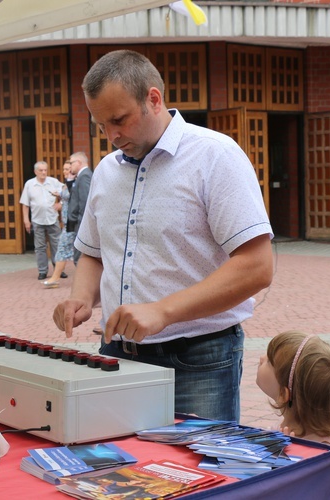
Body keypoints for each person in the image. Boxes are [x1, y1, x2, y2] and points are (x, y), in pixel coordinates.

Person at [52, 50, 274, 421]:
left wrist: (162, 311)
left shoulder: (215, 155)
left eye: (119, 120)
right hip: (116, 354)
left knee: (200, 473)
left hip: (198, 357)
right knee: (119, 469)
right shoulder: (106, 171)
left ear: (154, 99)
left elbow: (257, 267)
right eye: (101, 125)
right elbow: (93, 252)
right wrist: (80, 297)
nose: (111, 136)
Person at [256, 330, 330, 447]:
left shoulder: (319, 450)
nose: (261, 358)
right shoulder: (287, 428)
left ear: (283, 394)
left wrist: (280, 457)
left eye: (270, 361)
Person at [20, 160, 64, 280]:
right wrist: (26, 220)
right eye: (41, 170)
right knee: (40, 247)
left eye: (45, 170)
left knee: (57, 245)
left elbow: (66, 191)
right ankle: (42, 271)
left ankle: (59, 270)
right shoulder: (29, 184)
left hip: (52, 218)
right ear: (35, 171)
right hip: (37, 220)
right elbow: (25, 204)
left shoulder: (53, 182)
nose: (43, 172)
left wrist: (61, 203)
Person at [44, 161, 75, 288]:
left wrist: (61, 202)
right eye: (64, 169)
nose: (65, 171)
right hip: (68, 223)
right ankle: (55, 278)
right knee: (68, 251)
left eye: (68, 169)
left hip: (73, 223)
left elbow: (75, 199)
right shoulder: (66, 184)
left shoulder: (75, 183)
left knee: (62, 249)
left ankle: (55, 278)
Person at [66, 151, 92, 265]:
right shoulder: (80, 176)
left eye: (71, 163)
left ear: (78, 162)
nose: (70, 166)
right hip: (79, 222)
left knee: (79, 258)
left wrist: (82, 222)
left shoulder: (85, 176)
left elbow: (85, 201)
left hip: (81, 223)